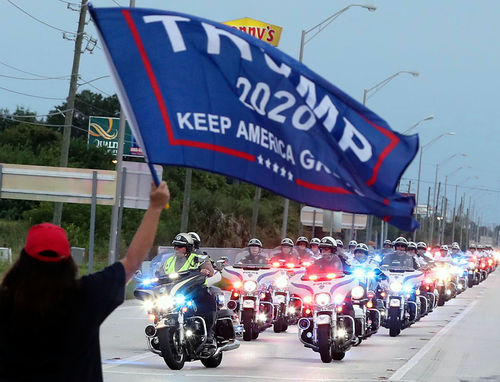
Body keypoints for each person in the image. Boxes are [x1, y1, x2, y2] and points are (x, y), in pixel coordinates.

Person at [0, 181, 170, 382]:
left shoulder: (5, 303)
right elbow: (133, 261)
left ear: (23, 260)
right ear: (68, 261)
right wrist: (155, 207)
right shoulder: (87, 295)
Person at [162, 233, 217, 348]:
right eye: (176, 246)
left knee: (208, 301)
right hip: (174, 291)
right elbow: (158, 272)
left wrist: (206, 271)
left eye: (181, 247)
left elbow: (209, 268)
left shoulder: (198, 257)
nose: (177, 249)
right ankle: (160, 333)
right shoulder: (169, 261)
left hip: (196, 289)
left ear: (189, 248)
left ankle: (210, 333)